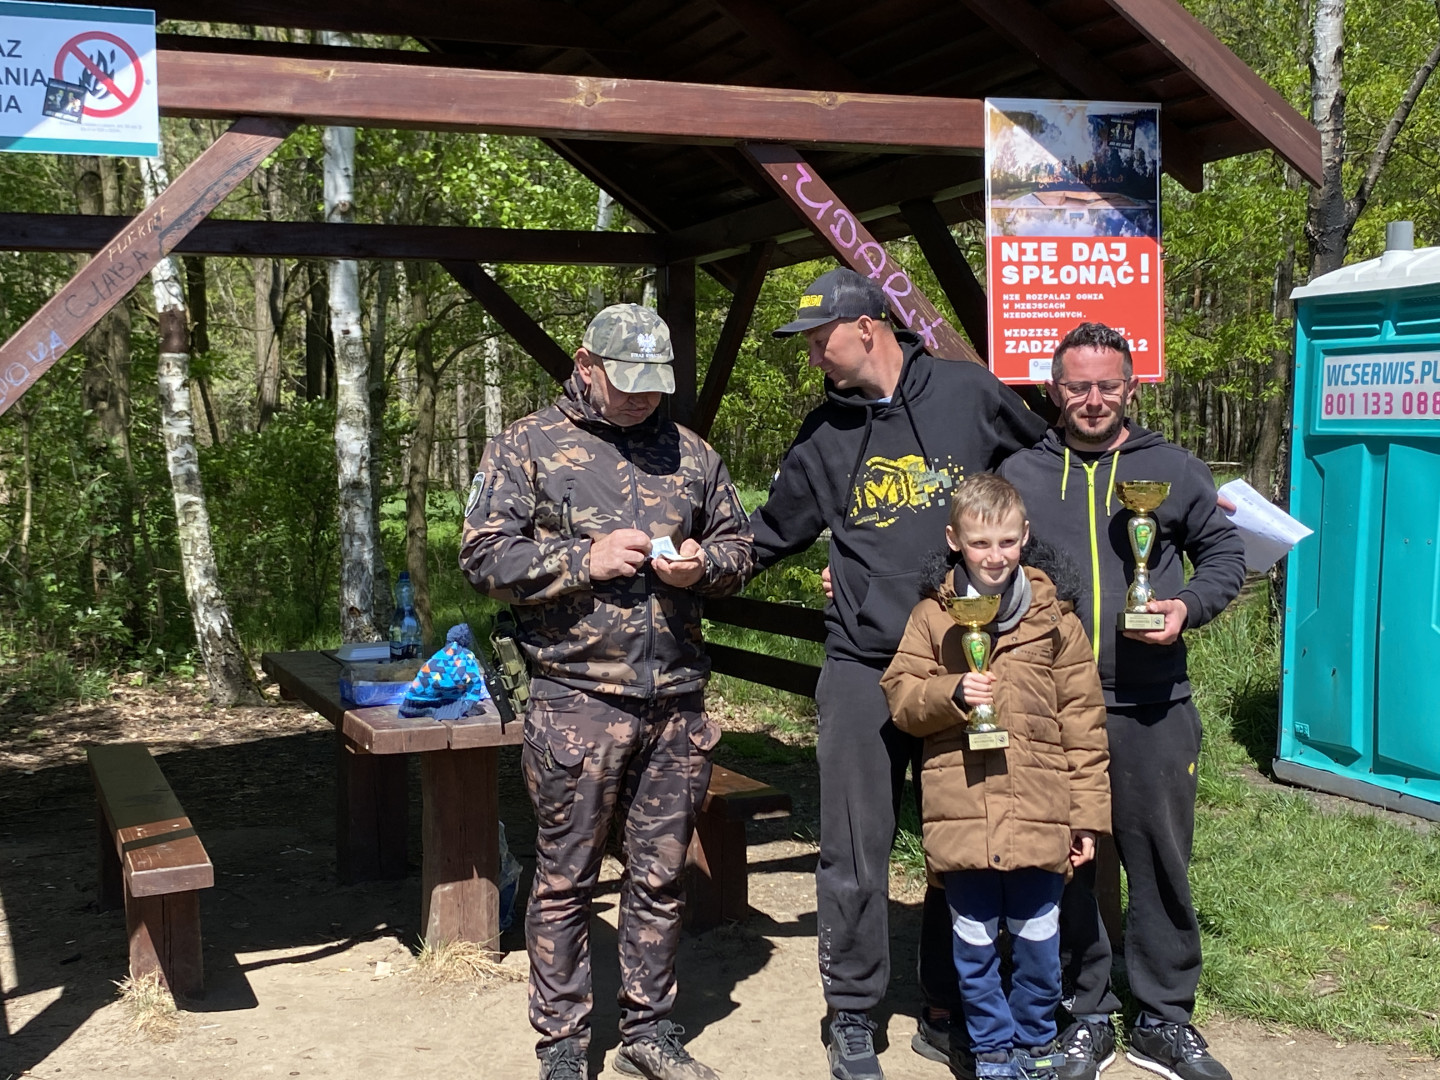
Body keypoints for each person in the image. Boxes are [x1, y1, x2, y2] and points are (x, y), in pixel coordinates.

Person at [750, 267, 1049, 1080]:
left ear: (869, 328)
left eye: (820, 339)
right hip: (861, 663)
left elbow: (1039, 479)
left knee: (962, 840)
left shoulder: (966, 392)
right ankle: (852, 1013)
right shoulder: (823, 433)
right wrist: (692, 563)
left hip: (963, 657)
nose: (813, 354)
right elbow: (771, 531)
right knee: (854, 844)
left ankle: (949, 1007)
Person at [459, 303, 753, 1080]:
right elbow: (482, 557)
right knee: (566, 880)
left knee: (660, 877)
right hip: (576, 700)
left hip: (675, 702)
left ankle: (649, 1031)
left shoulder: (691, 453)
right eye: (626, 382)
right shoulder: (525, 445)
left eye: (654, 384)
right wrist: (580, 561)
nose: (641, 398)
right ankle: (562, 1045)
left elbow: (740, 546)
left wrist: (704, 566)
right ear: (585, 365)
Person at [998, 322, 1246, 1080]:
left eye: (1108, 385)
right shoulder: (1019, 472)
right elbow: (976, 556)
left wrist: (1186, 608)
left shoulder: (1171, 468)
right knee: (1070, 863)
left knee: (1160, 858)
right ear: (1054, 389)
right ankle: (1088, 1013)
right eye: (1078, 386)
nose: (1094, 399)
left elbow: (1224, 554)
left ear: (1131, 388)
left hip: (1154, 701)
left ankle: (1165, 1018)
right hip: (1055, 708)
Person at [880, 473, 1111, 1080]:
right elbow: (901, 696)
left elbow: (1084, 723)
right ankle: (990, 1050)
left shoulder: (1056, 620)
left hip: (1040, 811)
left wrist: (1086, 817)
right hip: (964, 811)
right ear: (954, 540)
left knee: (1039, 944)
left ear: (1025, 536)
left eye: (1007, 542)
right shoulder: (932, 618)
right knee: (975, 945)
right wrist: (952, 692)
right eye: (981, 543)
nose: (995, 556)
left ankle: (1035, 1042)